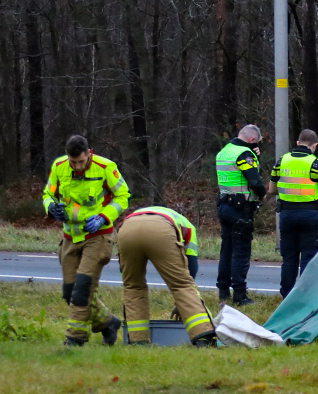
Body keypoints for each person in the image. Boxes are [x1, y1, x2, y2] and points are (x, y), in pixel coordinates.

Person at [42, 135, 126, 346]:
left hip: (98, 236)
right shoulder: (59, 166)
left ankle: (75, 338)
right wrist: (51, 207)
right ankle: (108, 322)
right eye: (74, 162)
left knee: (83, 288)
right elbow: (48, 194)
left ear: (89, 153)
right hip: (70, 237)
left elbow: (123, 196)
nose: (78, 166)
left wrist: (103, 218)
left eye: (81, 161)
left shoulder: (105, 167)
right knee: (70, 292)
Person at [117, 205, 214, 346]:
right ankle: (203, 336)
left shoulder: (140, 214)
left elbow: (123, 270)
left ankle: (138, 340)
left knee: (133, 286)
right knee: (182, 284)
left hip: (127, 229)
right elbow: (190, 270)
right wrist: (181, 304)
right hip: (161, 230)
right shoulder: (188, 227)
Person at [271, 129, 318, 296]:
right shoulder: (316, 164)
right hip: (311, 215)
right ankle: (304, 294)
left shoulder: (281, 161)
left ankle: (286, 294)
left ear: (298, 143)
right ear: (314, 145)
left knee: (289, 258)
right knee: (308, 256)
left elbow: (271, 189)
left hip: (287, 215)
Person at [213, 123, 266, 305]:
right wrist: (263, 195)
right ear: (252, 140)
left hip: (224, 205)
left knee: (226, 250)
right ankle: (240, 295)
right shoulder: (244, 154)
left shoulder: (225, 151)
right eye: (255, 143)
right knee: (241, 252)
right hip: (240, 208)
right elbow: (254, 181)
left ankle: (223, 291)